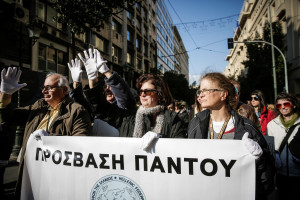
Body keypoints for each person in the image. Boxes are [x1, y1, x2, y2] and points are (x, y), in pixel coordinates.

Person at [0, 67, 92, 198]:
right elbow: (8, 118)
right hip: (30, 170)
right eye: (44, 87)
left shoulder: (77, 111)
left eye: (49, 88)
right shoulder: (39, 106)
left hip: (55, 174)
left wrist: (49, 140)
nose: (44, 91)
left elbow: (81, 143)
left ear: (64, 90)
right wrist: (5, 95)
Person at [188, 72, 275, 200]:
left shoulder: (247, 127)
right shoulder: (195, 124)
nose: (200, 95)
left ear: (223, 94)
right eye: (200, 91)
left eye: (206, 90)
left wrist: (259, 159)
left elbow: (267, 178)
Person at [78, 48, 186, 149]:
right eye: (141, 91)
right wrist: (93, 78)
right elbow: (102, 109)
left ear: (159, 94)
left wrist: (160, 141)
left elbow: (180, 149)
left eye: (147, 91)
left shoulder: (172, 119)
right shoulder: (129, 116)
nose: (143, 94)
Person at [267, 92, 300, 200]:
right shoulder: (271, 125)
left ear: (293, 105)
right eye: (279, 105)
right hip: (280, 175)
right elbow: (270, 148)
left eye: (286, 104)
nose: (283, 107)